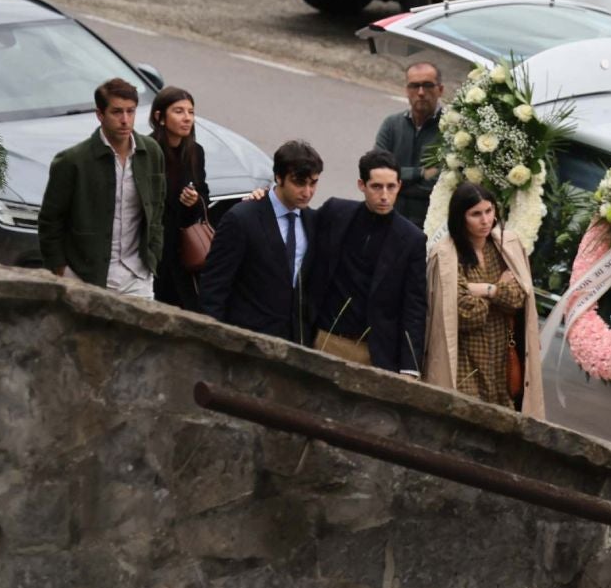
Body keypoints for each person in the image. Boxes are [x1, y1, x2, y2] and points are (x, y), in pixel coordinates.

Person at [37, 77, 164, 297]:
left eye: (130, 111)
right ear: (100, 114)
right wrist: (60, 269)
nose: (125, 120)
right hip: (86, 276)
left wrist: (153, 253)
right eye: (116, 112)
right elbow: (50, 221)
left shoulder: (151, 152)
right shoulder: (72, 161)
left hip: (138, 276)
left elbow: (158, 208)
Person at [307, 150, 428, 376]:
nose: (384, 195)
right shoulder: (336, 213)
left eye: (391, 187)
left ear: (399, 186)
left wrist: (410, 368)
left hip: (374, 353)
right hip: (325, 339)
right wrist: (264, 199)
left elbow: (414, 306)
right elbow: (298, 222)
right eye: (376, 187)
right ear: (361, 185)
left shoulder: (412, 239)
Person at [425, 182, 542, 415]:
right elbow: (466, 313)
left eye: (489, 211)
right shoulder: (448, 254)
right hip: (464, 359)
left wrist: (485, 289)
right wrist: (500, 289)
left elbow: (518, 297)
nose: (485, 220)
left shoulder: (504, 247)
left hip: (501, 359)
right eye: (475, 214)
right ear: (461, 218)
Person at [201, 139, 322, 342]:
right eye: (299, 183)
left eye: (313, 183)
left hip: (295, 343)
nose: (307, 192)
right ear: (278, 177)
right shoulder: (242, 219)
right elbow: (214, 287)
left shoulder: (314, 222)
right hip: (247, 341)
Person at [148, 87, 211, 312]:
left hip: (182, 250)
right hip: (154, 249)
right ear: (160, 117)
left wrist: (194, 200)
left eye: (191, 112)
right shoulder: (147, 151)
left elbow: (204, 196)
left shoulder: (195, 152)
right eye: (178, 111)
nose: (187, 118)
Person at [375, 61, 444, 227]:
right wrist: (420, 173)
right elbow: (376, 171)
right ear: (407, 90)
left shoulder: (450, 129)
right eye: (414, 86)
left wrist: (394, 183)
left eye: (428, 85)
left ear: (440, 90)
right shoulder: (391, 124)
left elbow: (436, 184)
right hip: (388, 219)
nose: (420, 92)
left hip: (428, 225)